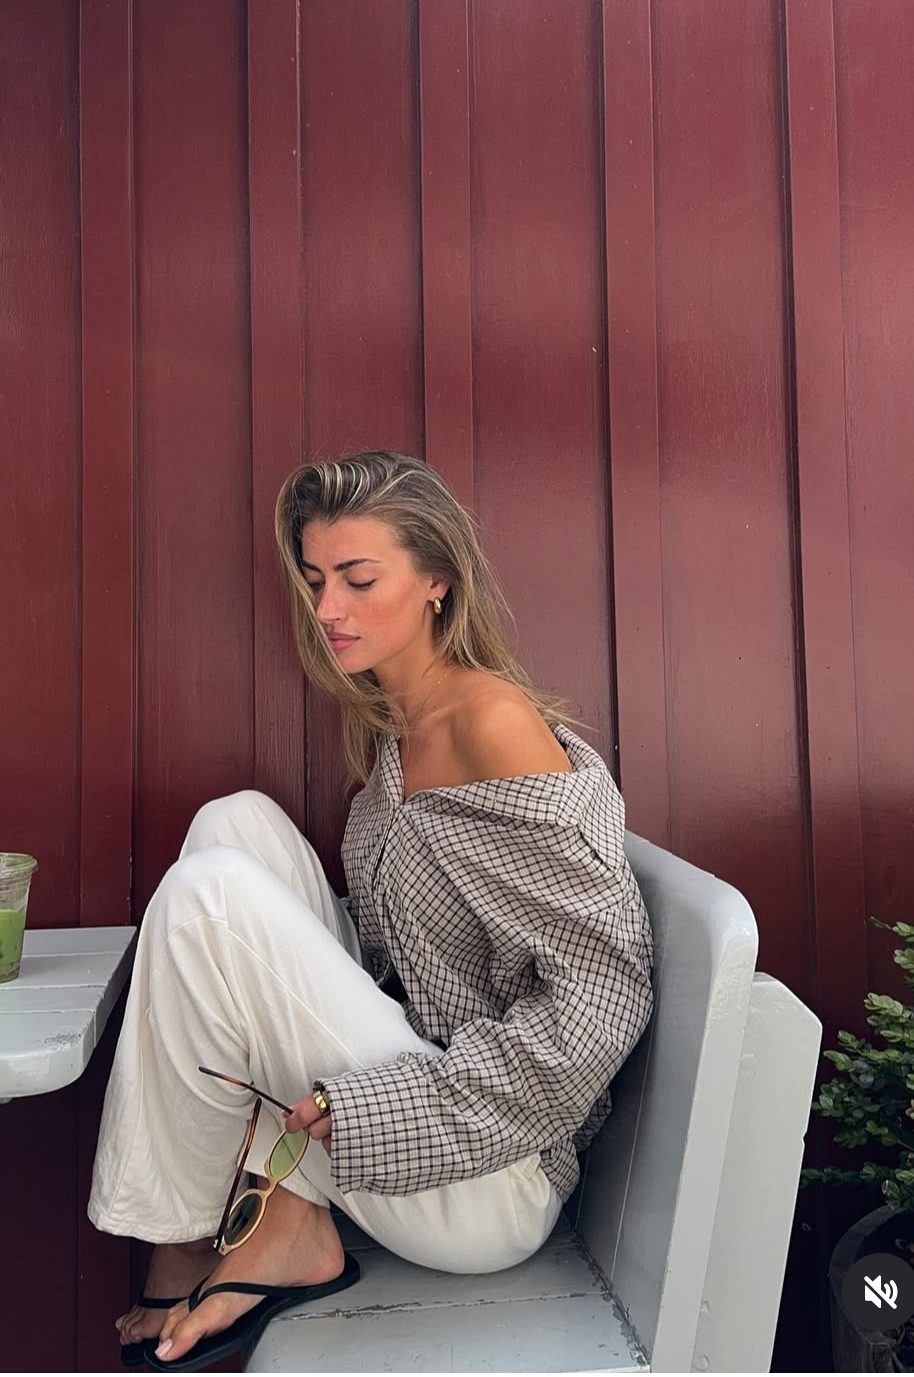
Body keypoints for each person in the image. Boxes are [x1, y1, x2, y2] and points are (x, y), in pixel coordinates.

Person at [87, 450, 655, 1371]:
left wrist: (378, 1106)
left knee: (208, 897)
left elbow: (603, 996)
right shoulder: (399, 729)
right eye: (316, 580)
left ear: (437, 582)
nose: (327, 609)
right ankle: (277, 1217)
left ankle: (193, 1237)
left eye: (359, 579)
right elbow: (404, 961)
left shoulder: (490, 723)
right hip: (427, 1093)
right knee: (233, 824)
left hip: (489, 1174)